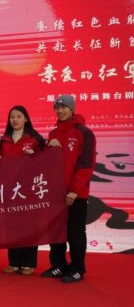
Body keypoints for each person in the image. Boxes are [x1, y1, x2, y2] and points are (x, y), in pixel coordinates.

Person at [41, 95, 96, 283]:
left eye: (64, 107)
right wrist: (48, 148)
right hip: (55, 192)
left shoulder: (84, 133)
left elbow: (86, 164)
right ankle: (58, 265)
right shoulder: (53, 134)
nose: (60, 111)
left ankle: (77, 268)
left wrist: (74, 190)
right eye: (57, 108)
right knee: (56, 231)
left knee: (75, 232)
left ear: (72, 109)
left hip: (75, 194)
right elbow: (47, 163)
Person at [0, 105, 45, 276]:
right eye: (12, 117)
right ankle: (14, 262)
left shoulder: (35, 139)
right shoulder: (4, 140)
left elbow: (46, 161)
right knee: (13, 226)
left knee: (29, 226)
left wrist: (36, 156)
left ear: (26, 119)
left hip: (30, 189)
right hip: (11, 190)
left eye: (19, 116)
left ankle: (28, 263)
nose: (15, 120)